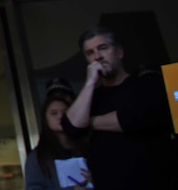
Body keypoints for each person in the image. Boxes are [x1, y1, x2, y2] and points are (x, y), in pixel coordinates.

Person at [62, 26, 178, 190]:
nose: (97, 57)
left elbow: (133, 118)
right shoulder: (90, 98)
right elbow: (72, 128)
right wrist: (90, 83)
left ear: (119, 52)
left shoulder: (149, 85)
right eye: (90, 53)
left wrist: (89, 122)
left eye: (103, 48)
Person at [24, 78, 90, 190]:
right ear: (46, 119)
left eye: (65, 112)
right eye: (54, 113)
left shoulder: (87, 148)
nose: (60, 116)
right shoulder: (37, 157)